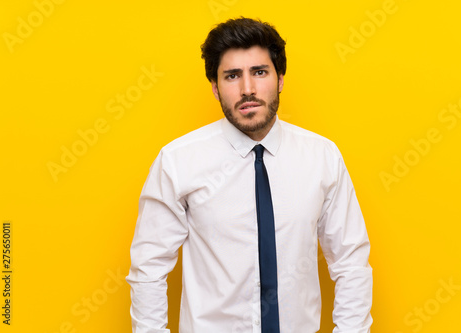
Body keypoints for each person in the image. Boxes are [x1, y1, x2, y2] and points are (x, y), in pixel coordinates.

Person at [126, 17, 372, 333]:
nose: (248, 89)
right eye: (232, 76)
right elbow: (149, 269)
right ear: (215, 88)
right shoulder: (178, 161)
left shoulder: (322, 157)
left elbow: (351, 264)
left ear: (280, 78)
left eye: (259, 72)